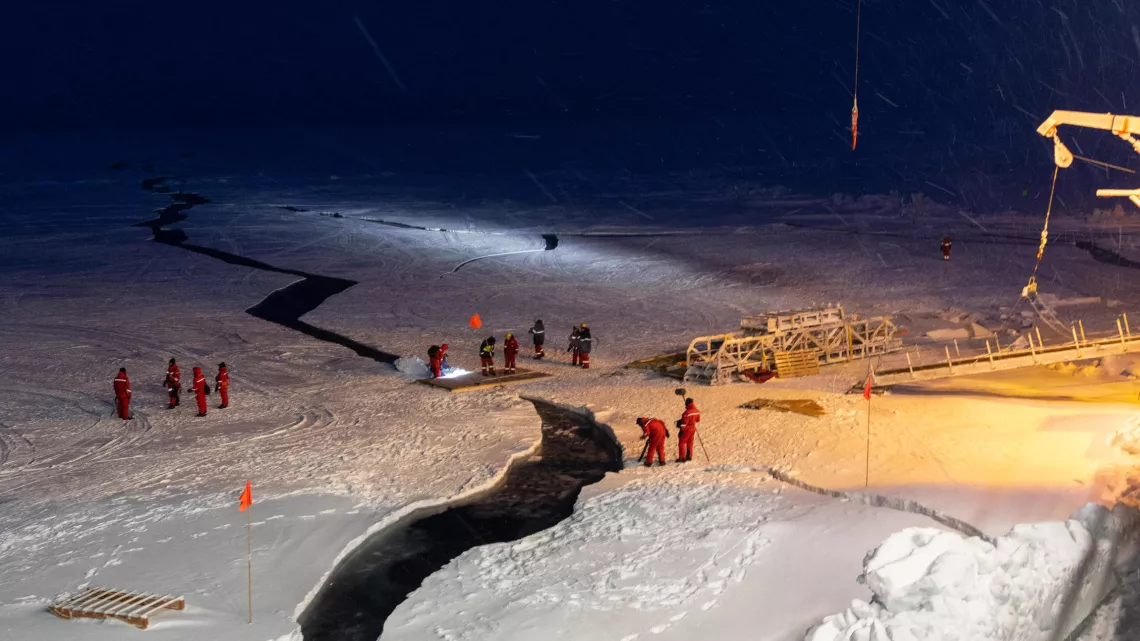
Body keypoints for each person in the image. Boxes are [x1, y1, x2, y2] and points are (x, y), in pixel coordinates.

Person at [677, 398, 700, 462]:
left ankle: (682, 458)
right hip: (693, 428)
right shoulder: (697, 411)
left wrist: (681, 431)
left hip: (686, 429)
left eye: (686, 403)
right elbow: (698, 420)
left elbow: (684, 423)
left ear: (688, 403)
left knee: (682, 443)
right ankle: (689, 456)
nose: (685, 404)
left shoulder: (686, 413)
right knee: (690, 442)